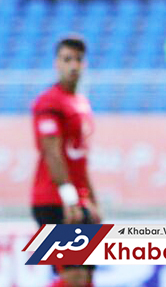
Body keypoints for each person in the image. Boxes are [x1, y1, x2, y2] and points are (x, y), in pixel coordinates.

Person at [31, 37, 101, 287]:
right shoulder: (49, 102)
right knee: (73, 277)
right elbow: (52, 152)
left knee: (87, 277)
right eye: (67, 59)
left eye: (78, 60)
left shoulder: (81, 103)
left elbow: (80, 159)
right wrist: (69, 196)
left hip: (80, 199)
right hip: (54, 199)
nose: (73, 65)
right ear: (56, 63)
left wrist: (91, 199)